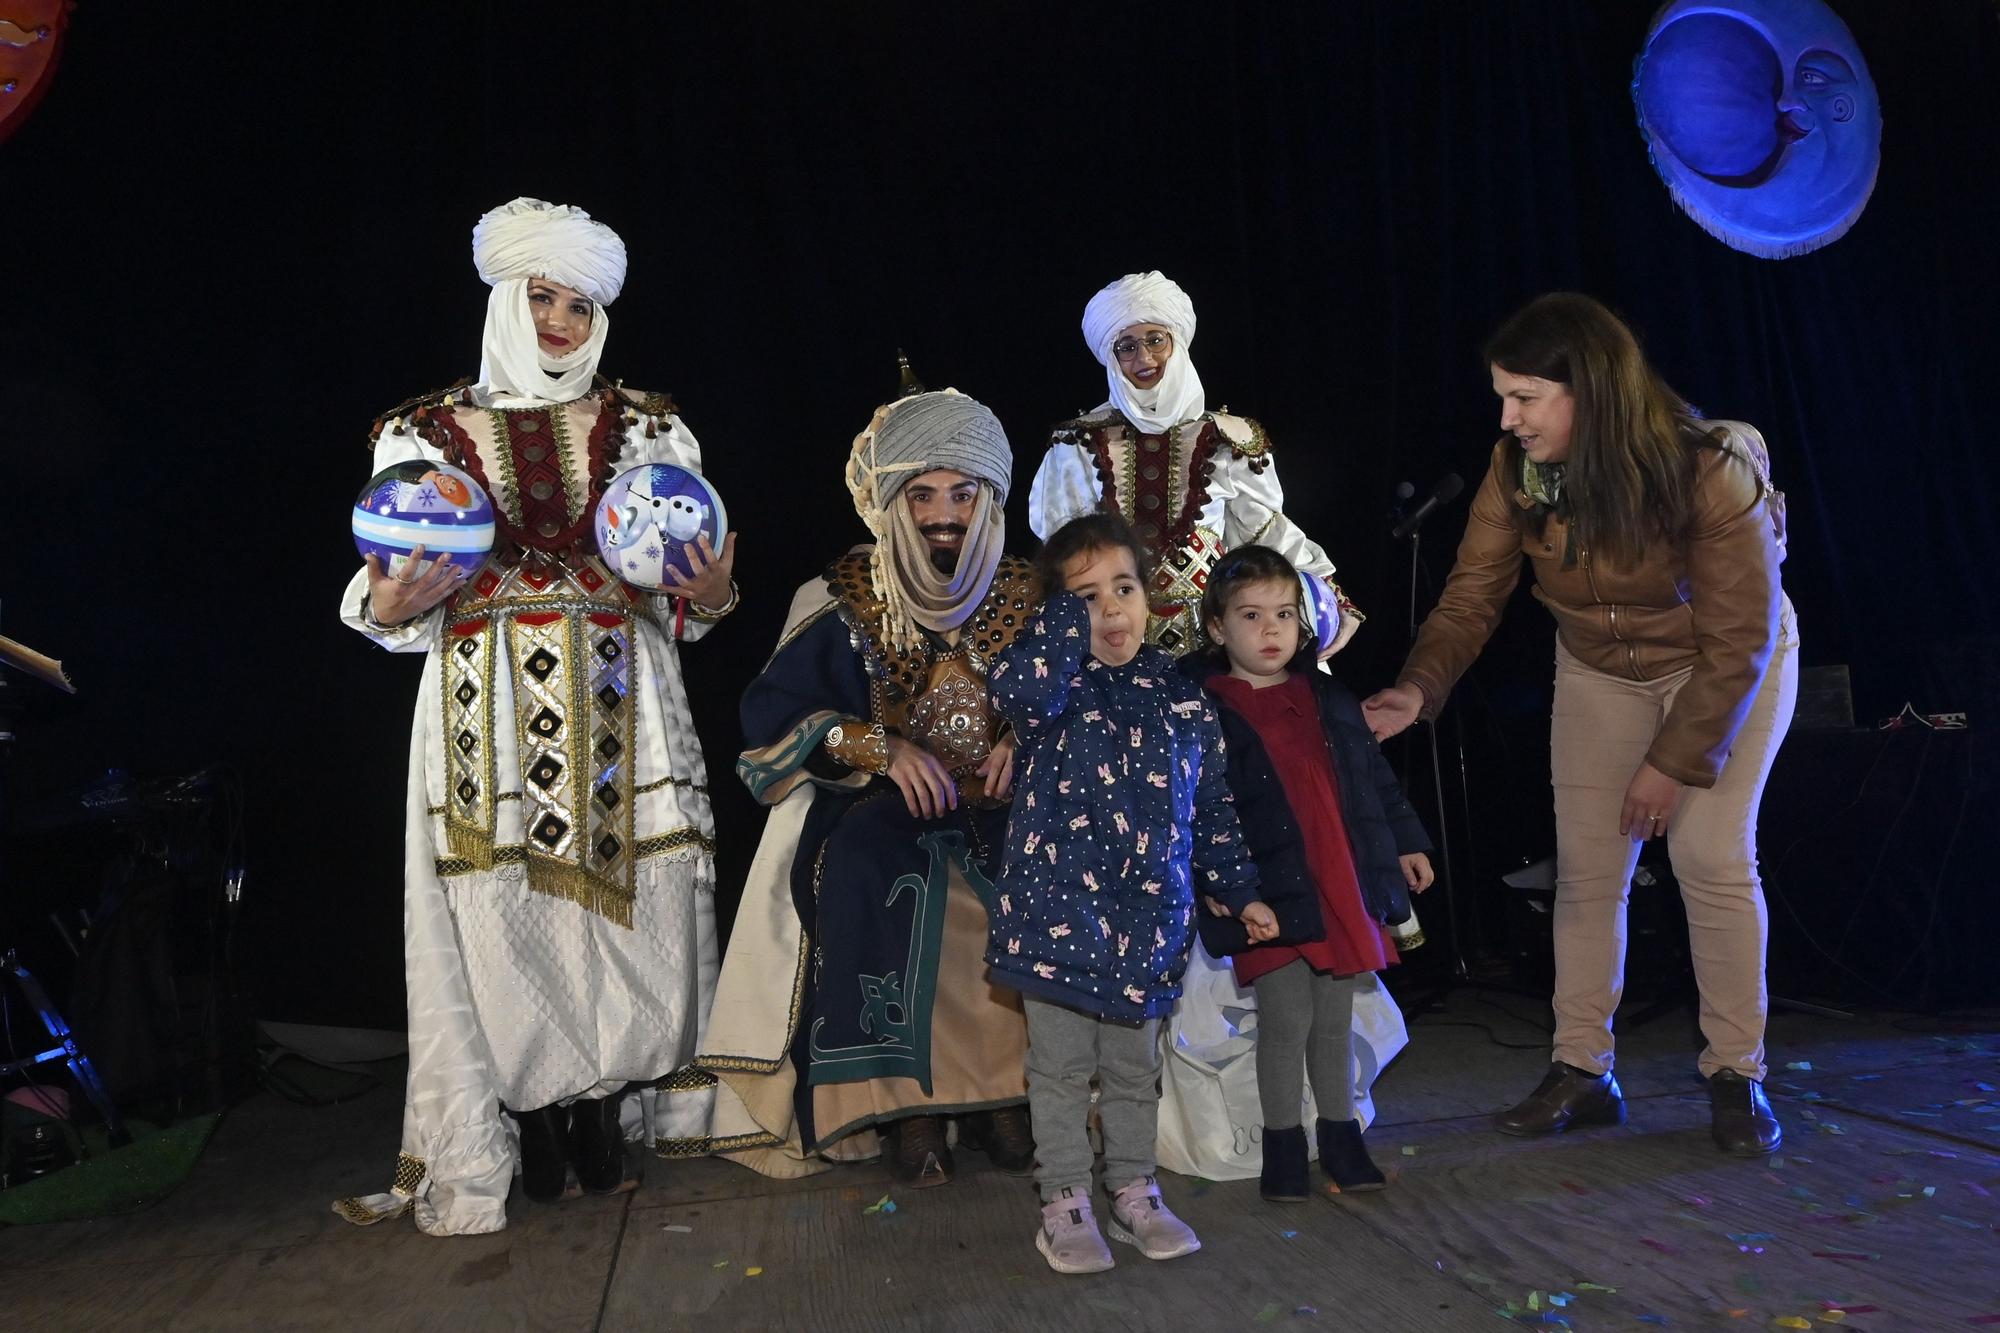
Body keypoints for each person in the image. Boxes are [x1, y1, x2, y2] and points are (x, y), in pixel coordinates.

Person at [333, 198, 737, 1235]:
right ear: (506, 299)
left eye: (579, 304)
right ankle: (536, 1117)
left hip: (624, 700)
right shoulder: (417, 434)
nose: (559, 320)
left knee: (631, 911)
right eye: (541, 297)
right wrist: (385, 604)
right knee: (504, 920)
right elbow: (385, 587)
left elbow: (687, 588)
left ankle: (603, 1107)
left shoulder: (651, 426)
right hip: (487, 711)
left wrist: (717, 590)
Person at [1363, 292, 1796, 1156]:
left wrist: (1672, 761)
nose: (1507, 417)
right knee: (1589, 870)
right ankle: (1583, 1068)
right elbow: (1472, 596)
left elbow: (1740, 638)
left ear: (1590, 390)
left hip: (1726, 668)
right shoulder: (1514, 474)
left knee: (1710, 855)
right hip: (1601, 671)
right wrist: (1418, 688)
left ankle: (1736, 1074)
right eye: (1503, 396)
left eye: (1525, 396)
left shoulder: (1707, 469)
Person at [698, 388, 1037, 1188]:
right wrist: (874, 747)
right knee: (868, 865)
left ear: (991, 496)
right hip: (883, 811)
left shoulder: (1037, 596)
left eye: (962, 493)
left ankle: (1011, 1095)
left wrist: (1029, 740)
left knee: (1040, 861)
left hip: (1012, 810)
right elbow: (768, 715)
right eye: (920, 494)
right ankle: (906, 1107)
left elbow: (1089, 697)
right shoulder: (842, 595)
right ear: (890, 500)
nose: (942, 513)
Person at [986, 512, 1271, 1275]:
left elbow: (1211, 808)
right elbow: (1014, 686)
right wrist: (1057, 624)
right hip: (1055, 921)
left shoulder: (1182, 698)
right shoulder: (1051, 691)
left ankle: (1134, 1189)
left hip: (1147, 927)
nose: (1109, 609)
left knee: (1132, 1068)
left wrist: (1239, 889)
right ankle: (1065, 1201)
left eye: (1122, 588)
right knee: (1057, 1068)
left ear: (1151, 597)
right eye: (1084, 597)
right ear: (1055, 613)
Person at [1185, 545, 1434, 1202]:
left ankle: (1342, 1140)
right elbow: (1195, 809)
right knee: (1285, 1017)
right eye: (1251, 614)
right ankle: (1283, 1146)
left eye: (1284, 614)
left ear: (1304, 625)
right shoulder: (1203, 707)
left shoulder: (1325, 695)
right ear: (1217, 627)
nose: (1270, 630)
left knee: (1332, 1019)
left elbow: (1373, 779)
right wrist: (1220, 884)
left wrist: (1405, 841)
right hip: (1266, 889)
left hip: (1337, 878)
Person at [1028, 270, 1361, 658]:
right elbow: (1061, 544)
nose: (1144, 358)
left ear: (1177, 343)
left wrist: (1329, 593)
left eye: (1155, 340)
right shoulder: (1077, 444)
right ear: (1112, 357)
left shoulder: (1230, 438)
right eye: (1127, 346)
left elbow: (1265, 533)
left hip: (1216, 640)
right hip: (1111, 638)